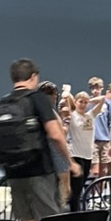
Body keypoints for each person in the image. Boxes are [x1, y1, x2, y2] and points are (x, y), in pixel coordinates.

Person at [0, 58, 80, 221]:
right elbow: (56, 135)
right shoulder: (37, 99)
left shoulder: (1, 104)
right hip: (39, 171)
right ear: (33, 76)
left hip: (13, 173)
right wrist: (70, 162)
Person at [64, 90, 104, 210]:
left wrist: (89, 100)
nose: (83, 104)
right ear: (75, 102)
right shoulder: (72, 115)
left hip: (88, 156)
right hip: (76, 155)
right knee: (76, 190)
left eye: (85, 102)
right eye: (81, 102)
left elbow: (102, 99)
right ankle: (75, 214)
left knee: (80, 187)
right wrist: (71, 97)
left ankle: (76, 210)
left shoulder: (90, 115)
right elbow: (67, 96)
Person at [39, 80, 72, 208]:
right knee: (65, 188)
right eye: (54, 95)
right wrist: (66, 120)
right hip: (54, 151)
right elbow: (61, 133)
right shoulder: (49, 112)